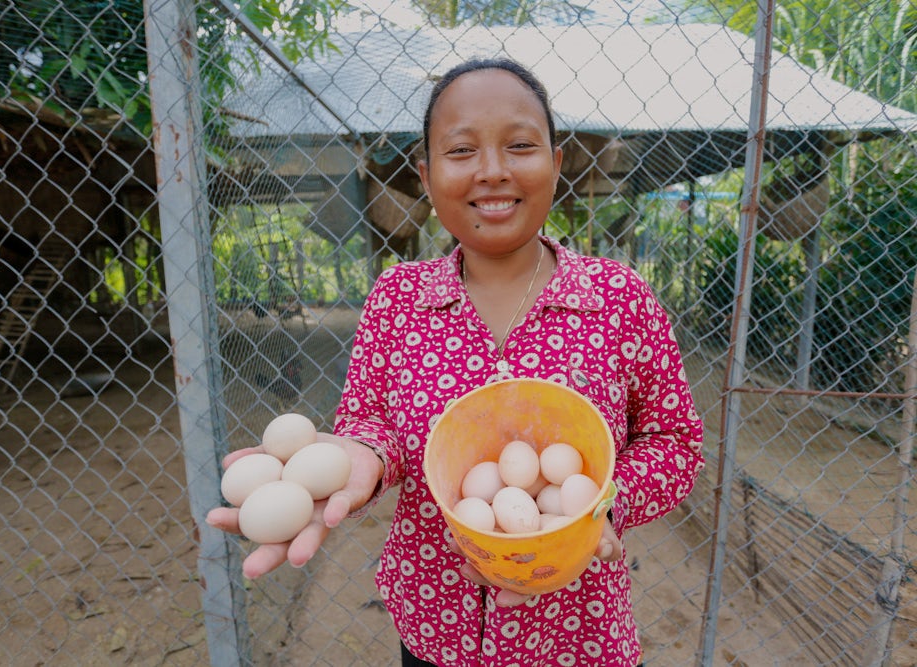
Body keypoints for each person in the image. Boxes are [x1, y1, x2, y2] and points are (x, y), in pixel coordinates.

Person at [207, 57, 705, 667]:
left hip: (578, 628)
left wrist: (598, 507)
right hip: (437, 621)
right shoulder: (397, 300)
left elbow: (674, 442)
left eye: (520, 145)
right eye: (461, 150)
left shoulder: (619, 299)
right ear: (426, 173)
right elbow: (371, 423)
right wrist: (360, 456)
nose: (492, 171)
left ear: (555, 161)